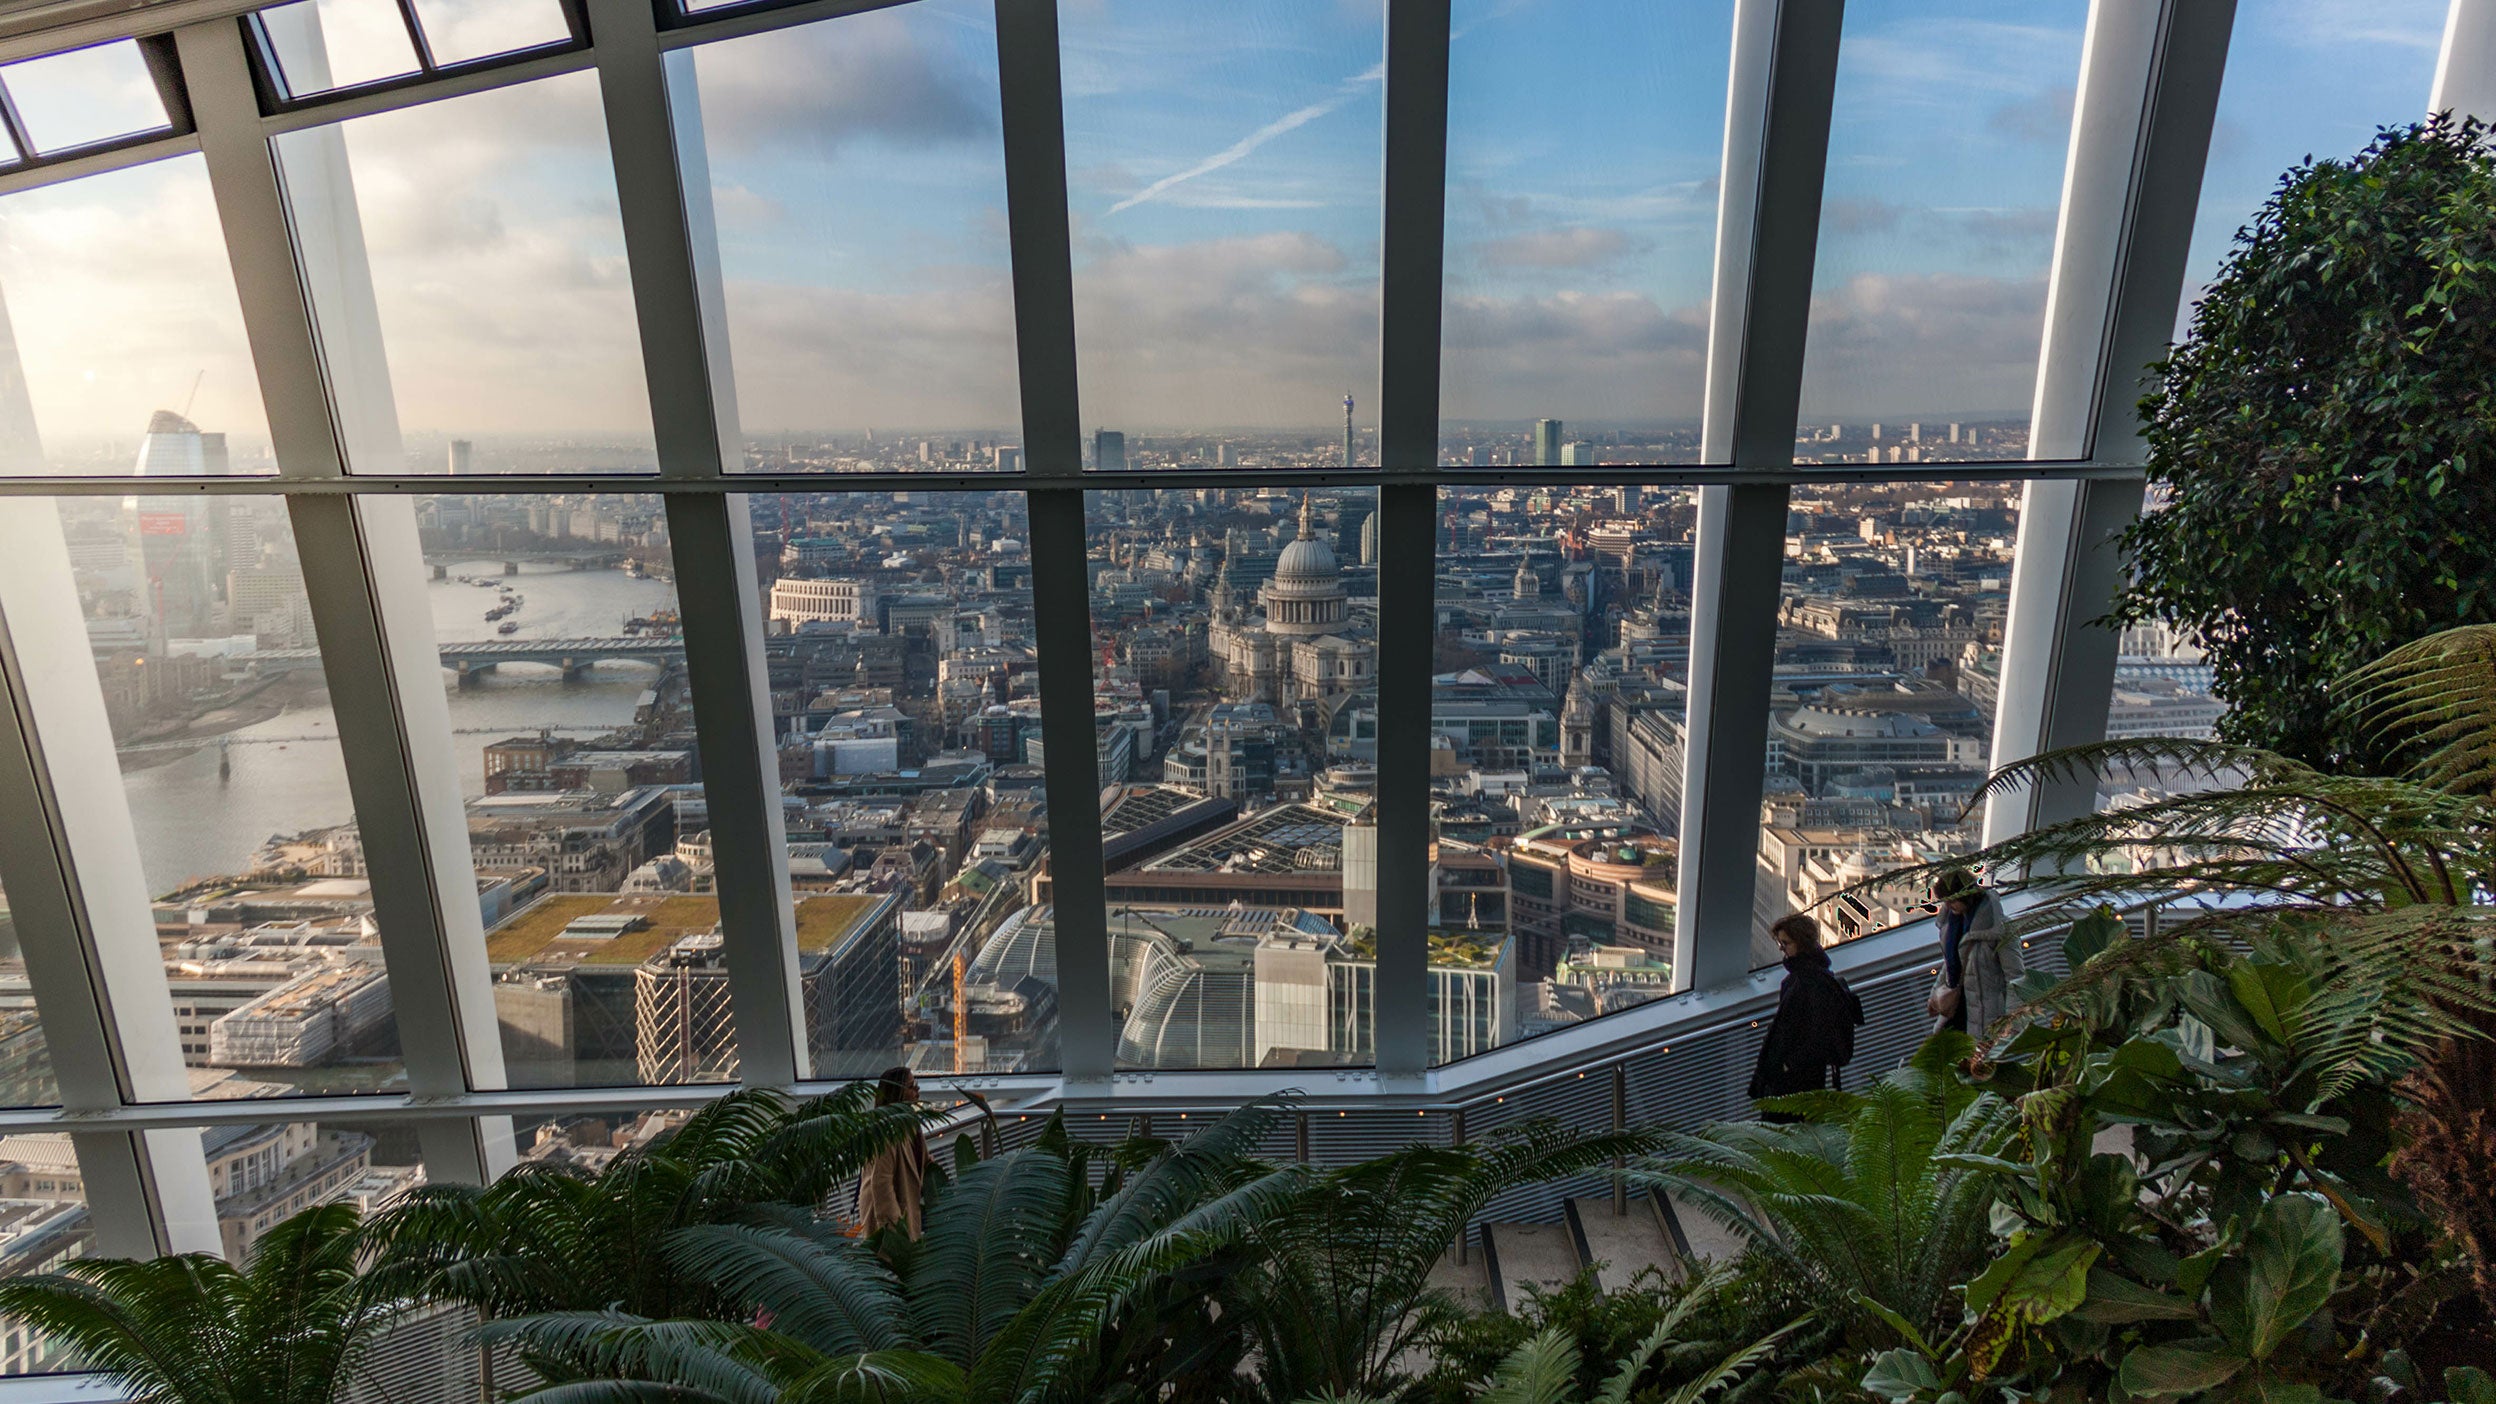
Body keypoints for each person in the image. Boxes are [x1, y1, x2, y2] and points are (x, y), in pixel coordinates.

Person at [1748, 914, 1865, 1114]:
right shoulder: (1814, 976)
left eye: (1785, 943)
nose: (1781, 949)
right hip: (1800, 1075)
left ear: (1801, 943)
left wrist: (1787, 1065)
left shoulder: (1808, 982)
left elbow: (1814, 1033)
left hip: (1795, 1079)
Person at [1926, 867, 2022, 1036]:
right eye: (1945, 900)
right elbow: (1950, 964)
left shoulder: (2001, 929)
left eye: (1952, 899)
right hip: (1957, 1010)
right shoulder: (1952, 924)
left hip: (1988, 1016)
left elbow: (2015, 977)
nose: (1947, 905)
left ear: (1966, 895)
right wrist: (1935, 993)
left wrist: (2013, 1020)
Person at [855, 1065, 935, 1239]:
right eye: (911, 1086)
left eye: (916, 1085)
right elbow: (881, 1182)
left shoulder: (910, 1123)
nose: (917, 1091)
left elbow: (917, 1159)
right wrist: (896, 1230)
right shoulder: (886, 1129)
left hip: (902, 1211)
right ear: (897, 1092)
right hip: (886, 1218)